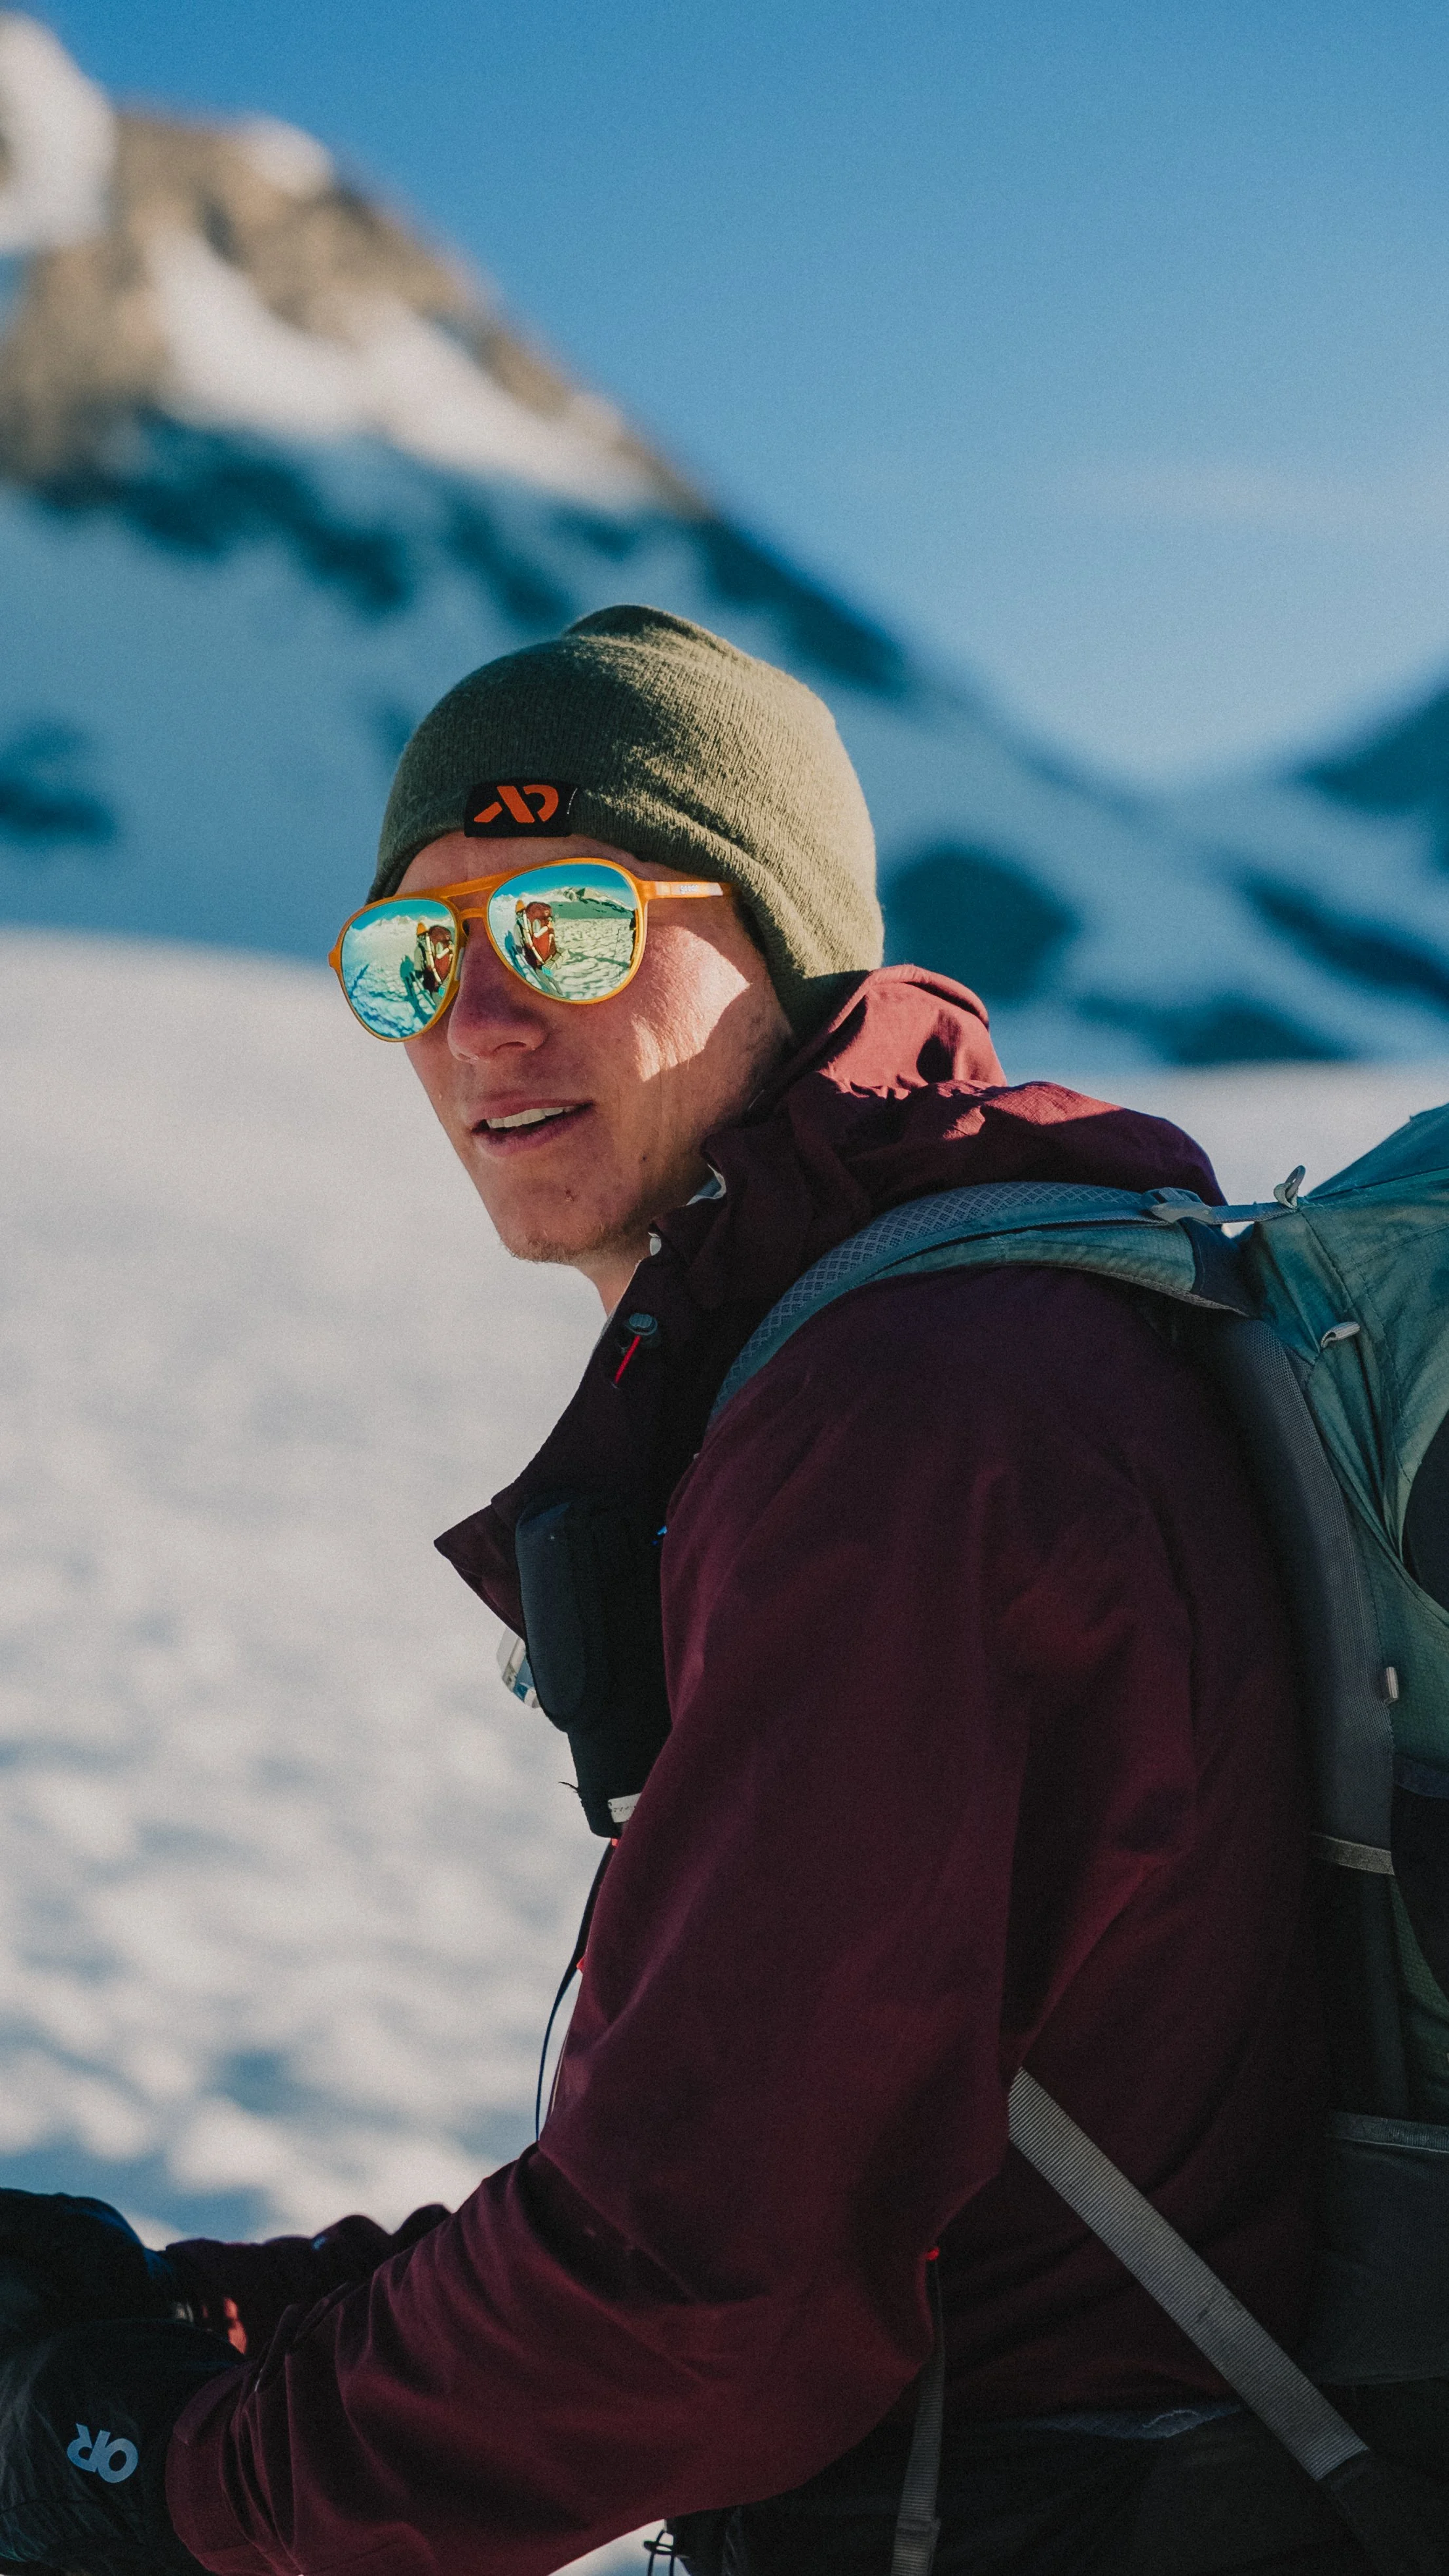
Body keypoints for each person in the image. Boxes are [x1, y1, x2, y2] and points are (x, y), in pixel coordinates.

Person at [0, 607, 1325, 2576]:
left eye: (565, 926)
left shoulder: (908, 1423)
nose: (481, 1022)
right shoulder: (964, 1315)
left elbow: (697, 2294)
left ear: (782, 944)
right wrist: (228, 2331)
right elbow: (763, 2162)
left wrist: (174, 2480)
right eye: (414, 958)